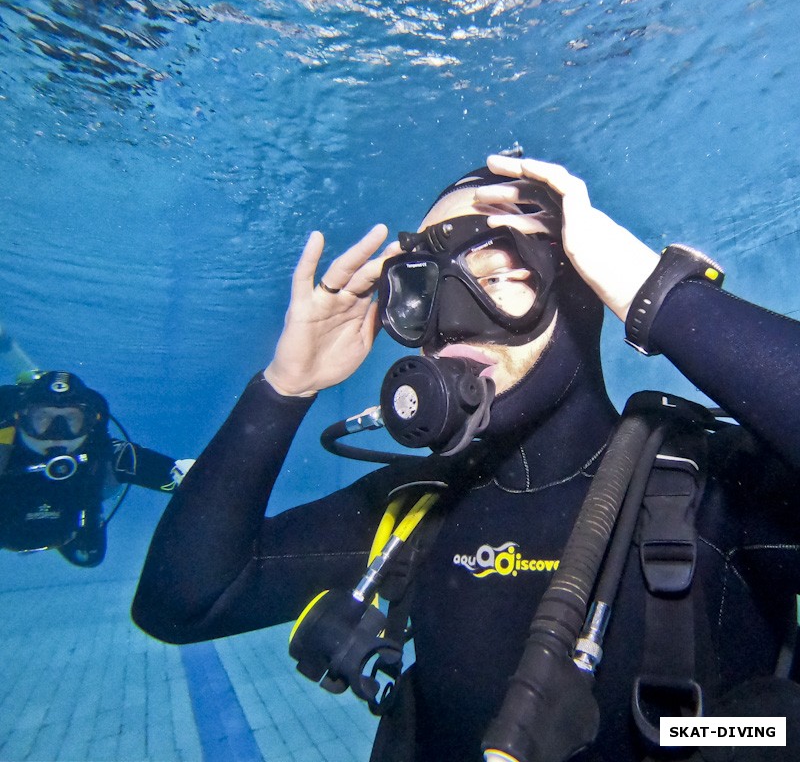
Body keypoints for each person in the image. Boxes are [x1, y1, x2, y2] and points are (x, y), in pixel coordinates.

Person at [132, 154, 800, 762]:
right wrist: (286, 387)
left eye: (501, 274)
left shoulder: (720, 496)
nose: (452, 321)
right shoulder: (415, 514)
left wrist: (657, 296)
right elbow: (183, 601)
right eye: (424, 290)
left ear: (579, 290)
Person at [0, 370, 193, 567]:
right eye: (42, 419)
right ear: (20, 419)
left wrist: (187, 474)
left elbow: (180, 474)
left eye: (72, 420)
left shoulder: (105, 455)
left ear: (90, 423)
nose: (57, 433)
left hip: (68, 531)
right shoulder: (2, 449)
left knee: (88, 555)